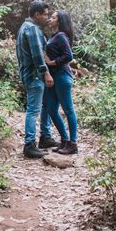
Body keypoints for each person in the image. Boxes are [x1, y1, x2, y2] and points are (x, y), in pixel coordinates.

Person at [16, 0, 58, 158]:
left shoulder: (24, 28)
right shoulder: (32, 29)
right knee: (33, 110)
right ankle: (29, 145)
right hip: (34, 76)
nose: (47, 17)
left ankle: (43, 139)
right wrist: (46, 72)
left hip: (30, 74)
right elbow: (37, 55)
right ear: (36, 14)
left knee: (37, 108)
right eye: (45, 14)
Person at [43, 10, 78, 155]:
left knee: (68, 110)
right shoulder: (55, 36)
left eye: (53, 17)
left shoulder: (61, 36)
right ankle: (64, 140)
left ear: (59, 21)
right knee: (51, 109)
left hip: (62, 77)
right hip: (54, 77)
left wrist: (52, 63)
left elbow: (68, 55)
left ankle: (73, 143)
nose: (50, 19)